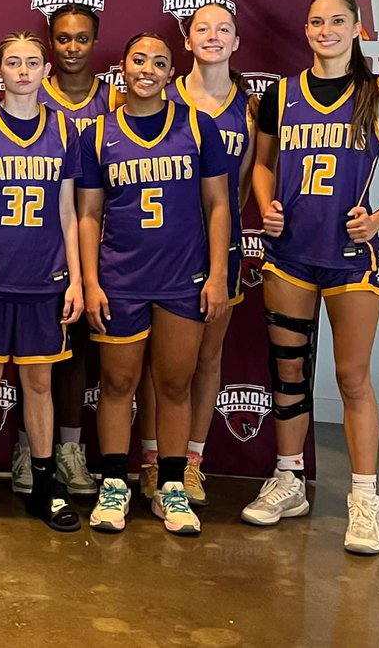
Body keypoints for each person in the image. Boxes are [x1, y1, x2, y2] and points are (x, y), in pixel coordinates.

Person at [241, 0, 379, 555]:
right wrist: (266, 204)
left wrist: (378, 219)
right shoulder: (280, 95)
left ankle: (364, 498)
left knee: (351, 378)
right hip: (289, 257)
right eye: (317, 21)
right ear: (306, 29)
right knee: (288, 375)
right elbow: (263, 166)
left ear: (357, 28)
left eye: (337, 21)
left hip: (349, 258)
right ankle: (289, 480)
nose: (326, 30)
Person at [78, 33, 230, 537]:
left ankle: (170, 485)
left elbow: (218, 205)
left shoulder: (198, 126)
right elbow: (89, 214)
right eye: (139, 60)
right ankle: (113, 484)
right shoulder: (98, 134)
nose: (147, 69)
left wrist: (217, 274)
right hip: (121, 278)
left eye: (159, 62)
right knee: (117, 383)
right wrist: (91, 281)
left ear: (171, 74)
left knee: (174, 385)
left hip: (182, 277)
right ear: (122, 68)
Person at [0, 32, 84, 533]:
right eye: (13, 63)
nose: (23, 71)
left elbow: (69, 211)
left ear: (46, 71)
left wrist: (76, 280)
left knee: (39, 383)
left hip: (44, 277)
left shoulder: (65, 129)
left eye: (32, 62)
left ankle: (45, 487)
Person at [137, 2, 255, 508]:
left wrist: (218, 247)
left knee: (206, 359)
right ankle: (151, 459)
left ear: (236, 42)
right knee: (157, 362)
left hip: (218, 248)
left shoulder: (248, 108)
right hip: (163, 250)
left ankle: (190, 462)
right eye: (202, 28)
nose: (212, 36)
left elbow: (239, 188)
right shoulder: (165, 93)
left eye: (223, 28)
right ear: (186, 41)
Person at [12, 4, 119, 500]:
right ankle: (26, 449)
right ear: (49, 44)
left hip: (101, 241)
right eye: (62, 38)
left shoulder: (114, 98)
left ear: (95, 42)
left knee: (77, 352)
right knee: (27, 356)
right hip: (37, 243)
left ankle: (70, 449)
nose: (72, 47)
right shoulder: (30, 88)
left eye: (81, 38)